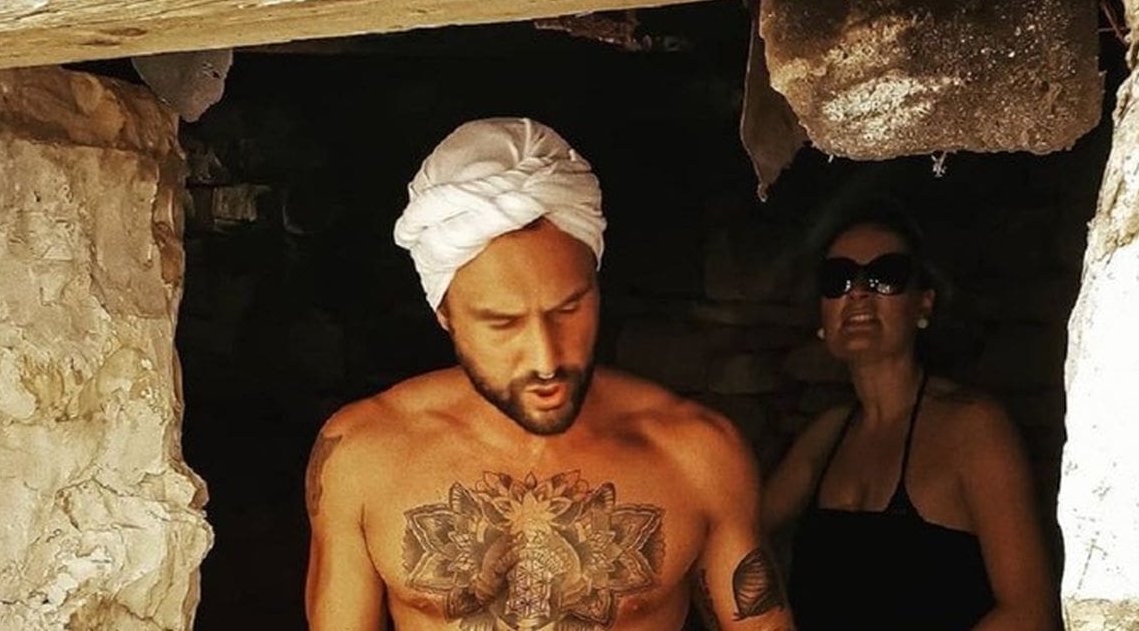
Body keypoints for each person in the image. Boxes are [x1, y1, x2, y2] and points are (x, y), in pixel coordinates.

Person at [304, 117, 793, 631]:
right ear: (444, 314)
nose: (545, 358)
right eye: (503, 323)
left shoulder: (697, 452)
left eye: (568, 309)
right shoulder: (362, 453)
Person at [762, 197, 1058, 631]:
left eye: (886, 276)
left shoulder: (973, 428)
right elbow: (735, 533)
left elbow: (1029, 613)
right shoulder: (826, 435)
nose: (858, 292)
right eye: (838, 279)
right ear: (821, 314)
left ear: (924, 304)